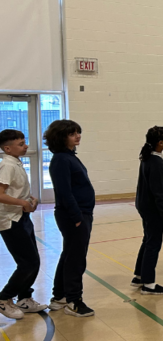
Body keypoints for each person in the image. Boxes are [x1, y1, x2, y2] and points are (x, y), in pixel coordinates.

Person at [46, 120, 95, 317]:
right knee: (76, 258)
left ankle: (60, 297)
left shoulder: (69, 157)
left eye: (78, 132)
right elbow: (64, 192)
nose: (78, 136)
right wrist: (77, 217)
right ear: (61, 137)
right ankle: (74, 300)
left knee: (69, 254)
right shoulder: (61, 160)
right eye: (72, 133)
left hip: (80, 213)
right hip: (74, 215)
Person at [0, 130, 47, 320]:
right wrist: (22, 203)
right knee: (28, 263)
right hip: (10, 221)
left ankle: (25, 298)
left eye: (24, 142)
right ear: (7, 148)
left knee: (32, 260)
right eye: (20, 144)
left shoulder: (16, 163)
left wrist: (29, 200)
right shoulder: (6, 166)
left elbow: (15, 191)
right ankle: (4, 298)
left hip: (21, 218)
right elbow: (0, 194)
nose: (25, 146)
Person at [132, 127, 163, 295]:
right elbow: (158, 193)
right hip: (152, 209)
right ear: (160, 143)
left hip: (144, 206)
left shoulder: (148, 158)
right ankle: (148, 284)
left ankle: (139, 276)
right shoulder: (155, 162)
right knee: (153, 244)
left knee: (147, 240)